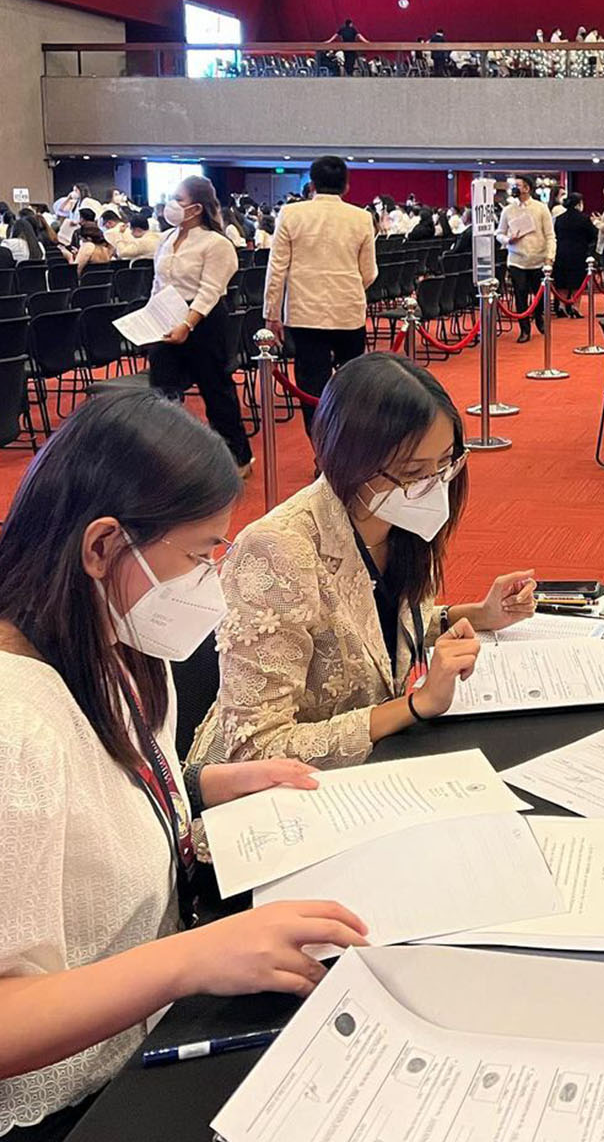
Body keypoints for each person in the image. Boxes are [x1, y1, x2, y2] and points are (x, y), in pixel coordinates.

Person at [0, 385, 368, 1139]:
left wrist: (202, 787)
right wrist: (193, 959)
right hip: (75, 1100)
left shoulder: (114, 640)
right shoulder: (15, 725)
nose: (213, 584)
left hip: (152, 1022)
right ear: (103, 547)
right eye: (201, 555)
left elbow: (102, 797)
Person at [188, 354, 535, 768]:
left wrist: (480, 615)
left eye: (446, 463)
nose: (434, 485)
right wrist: (416, 704)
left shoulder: (398, 521)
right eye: (414, 471)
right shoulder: (278, 549)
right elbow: (256, 748)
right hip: (272, 788)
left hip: (371, 764)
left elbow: (372, 629)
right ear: (351, 461)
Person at [264, 156, 379, 435]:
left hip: (305, 313)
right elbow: (369, 272)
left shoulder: (291, 214)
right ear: (346, 186)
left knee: (311, 386)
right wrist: (348, 288)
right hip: (348, 312)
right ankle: (350, 442)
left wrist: (271, 314)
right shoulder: (362, 217)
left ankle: (320, 444)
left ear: (311, 185)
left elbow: (276, 269)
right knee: (352, 384)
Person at [147, 176, 253, 473]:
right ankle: (167, 458)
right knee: (162, 393)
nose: (171, 204)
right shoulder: (166, 239)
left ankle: (237, 457)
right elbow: (158, 283)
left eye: (178, 199)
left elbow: (210, 291)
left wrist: (188, 324)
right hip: (167, 316)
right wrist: (150, 317)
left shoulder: (216, 243)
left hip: (204, 321)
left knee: (216, 390)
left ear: (195, 208)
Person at [496, 175, 556, 344]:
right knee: (520, 294)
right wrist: (508, 240)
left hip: (538, 259)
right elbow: (499, 233)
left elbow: (550, 235)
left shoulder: (541, 208)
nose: (514, 188)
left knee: (539, 295)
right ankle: (524, 329)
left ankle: (539, 318)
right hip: (516, 259)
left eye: (518, 185)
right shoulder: (508, 210)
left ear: (527, 188)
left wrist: (550, 257)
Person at [552, 190, 598, 318]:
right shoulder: (584, 219)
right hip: (579, 253)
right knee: (577, 282)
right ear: (579, 203)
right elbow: (593, 234)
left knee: (562, 281)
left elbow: (555, 234)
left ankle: (561, 305)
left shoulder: (560, 219)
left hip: (561, 252)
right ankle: (575, 307)